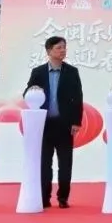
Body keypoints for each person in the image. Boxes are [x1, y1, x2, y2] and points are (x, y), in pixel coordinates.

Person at [26, 36, 84, 209]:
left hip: (65, 125)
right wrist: (32, 90)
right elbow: (27, 94)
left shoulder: (72, 72)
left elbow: (78, 98)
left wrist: (76, 121)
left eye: (64, 47)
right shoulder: (38, 72)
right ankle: (44, 197)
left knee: (65, 164)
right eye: (59, 47)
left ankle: (63, 197)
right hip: (44, 125)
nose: (63, 50)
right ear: (49, 51)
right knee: (45, 163)